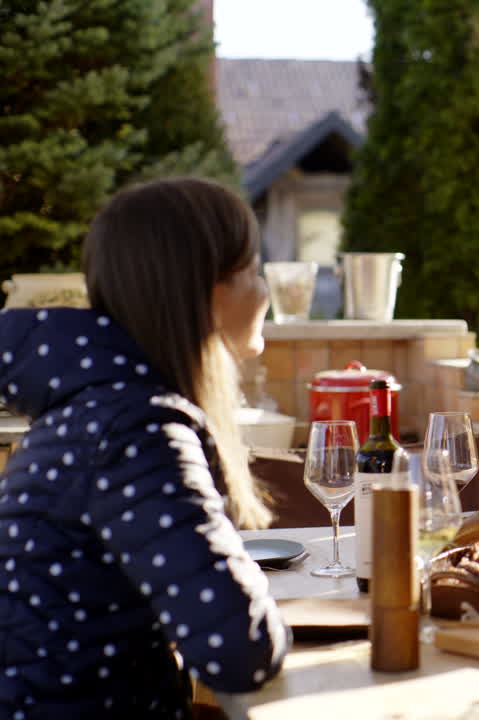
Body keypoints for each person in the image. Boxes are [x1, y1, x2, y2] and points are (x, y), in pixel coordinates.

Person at [0, 177, 291, 717]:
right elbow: (239, 650)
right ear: (208, 292)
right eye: (253, 272)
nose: (264, 292)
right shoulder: (136, 433)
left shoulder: (102, 409)